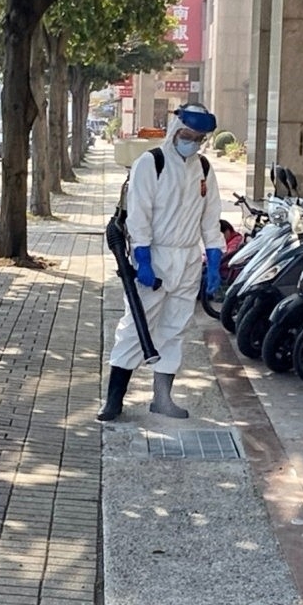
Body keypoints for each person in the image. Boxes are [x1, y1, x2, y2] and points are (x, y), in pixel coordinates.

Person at [99, 105, 225, 421]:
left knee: (175, 328)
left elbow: (210, 218)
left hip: (188, 259)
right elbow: (139, 215)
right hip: (155, 257)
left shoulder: (203, 168)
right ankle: (114, 400)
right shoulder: (151, 163)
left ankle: (162, 399)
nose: (192, 142)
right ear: (174, 131)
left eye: (198, 138)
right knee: (135, 327)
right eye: (187, 135)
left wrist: (213, 258)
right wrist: (142, 259)